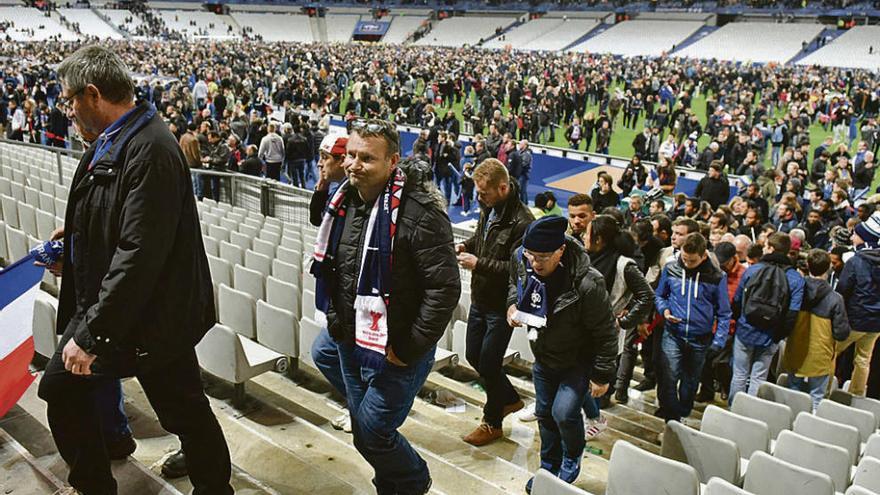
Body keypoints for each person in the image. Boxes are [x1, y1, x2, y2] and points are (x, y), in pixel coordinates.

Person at [36, 45, 233, 495]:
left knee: (182, 411)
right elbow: (117, 222)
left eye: (70, 100)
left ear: (93, 94)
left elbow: (140, 253)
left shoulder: (151, 150)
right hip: (126, 310)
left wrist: (91, 336)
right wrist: (76, 246)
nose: (67, 110)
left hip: (149, 318)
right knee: (71, 394)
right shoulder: (116, 139)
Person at [312, 118, 460, 494]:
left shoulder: (421, 211)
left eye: (367, 158)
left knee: (373, 432)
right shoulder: (343, 199)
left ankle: (413, 481)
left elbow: (444, 288)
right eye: (352, 155)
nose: (354, 164)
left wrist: (409, 347)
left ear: (393, 162)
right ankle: (390, 485)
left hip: (397, 348)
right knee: (366, 431)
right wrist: (336, 320)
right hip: (352, 339)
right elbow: (333, 269)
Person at [506, 216, 618, 493]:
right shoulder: (521, 258)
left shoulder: (588, 284)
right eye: (531, 255)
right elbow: (515, 283)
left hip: (577, 361)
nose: (535, 263)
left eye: (543, 257)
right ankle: (548, 464)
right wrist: (512, 305)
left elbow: (606, 333)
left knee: (564, 413)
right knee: (544, 413)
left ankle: (571, 458)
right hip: (543, 354)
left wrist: (602, 375)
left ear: (561, 251)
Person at [457, 158, 534, 446]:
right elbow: (482, 236)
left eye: (483, 193)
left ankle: (493, 422)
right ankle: (511, 398)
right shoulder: (489, 208)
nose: (479, 198)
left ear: (502, 188)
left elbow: (517, 269)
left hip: (503, 304)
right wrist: (468, 245)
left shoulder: (523, 223)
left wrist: (479, 263)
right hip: (480, 297)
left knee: (488, 362)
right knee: (474, 356)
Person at [654, 233, 732, 423]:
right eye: (684, 258)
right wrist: (664, 311)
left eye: (692, 260)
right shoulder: (671, 268)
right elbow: (660, 295)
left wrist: (719, 341)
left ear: (704, 256)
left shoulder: (716, 277)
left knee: (690, 381)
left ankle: (682, 413)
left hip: (700, 338)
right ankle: (672, 421)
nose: (687, 263)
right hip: (673, 333)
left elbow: (724, 312)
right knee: (669, 378)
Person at [583, 216, 654, 411]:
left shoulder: (624, 265)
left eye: (587, 234)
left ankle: (595, 415)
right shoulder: (585, 257)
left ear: (598, 239)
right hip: (580, 329)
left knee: (598, 381)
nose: (583, 237)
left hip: (604, 333)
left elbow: (647, 296)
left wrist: (625, 321)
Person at [307, 133, 351, 431]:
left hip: (348, 296)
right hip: (337, 293)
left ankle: (365, 411)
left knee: (334, 354)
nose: (321, 164)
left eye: (326, 159)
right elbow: (315, 218)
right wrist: (322, 186)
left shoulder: (352, 195)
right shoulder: (338, 192)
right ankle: (359, 405)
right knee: (324, 352)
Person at [729, 232, 805, 401]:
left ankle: (734, 410)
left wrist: (742, 321)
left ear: (770, 248)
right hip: (771, 335)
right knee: (758, 378)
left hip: (745, 330)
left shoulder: (753, 270)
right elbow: (792, 314)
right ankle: (749, 413)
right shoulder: (795, 279)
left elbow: (737, 300)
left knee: (739, 375)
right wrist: (778, 336)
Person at [782, 249, 850, 410]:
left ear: (808, 266)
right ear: (828, 268)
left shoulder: (797, 291)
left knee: (793, 393)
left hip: (795, 349)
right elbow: (841, 333)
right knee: (817, 398)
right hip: (821, 354)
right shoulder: (835, 298)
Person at [834, 211, 880, 396]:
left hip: (855, 319)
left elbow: (842, 290)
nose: (852, 236)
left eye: (856, 234)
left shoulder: (856, 261)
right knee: (863, 360)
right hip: (876, 323)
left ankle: (825, 389)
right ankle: (857, 394)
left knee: (831, 352)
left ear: (865, 237)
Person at [697, 241, 743, 403]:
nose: (721, 266)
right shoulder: (711, 270)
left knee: (721, 362)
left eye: (724, 263)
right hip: (708, 323)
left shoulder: (743, 274)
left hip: (728, 326)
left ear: (733, 258)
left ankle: (726, 385)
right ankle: (707, 391)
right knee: (704, 361)